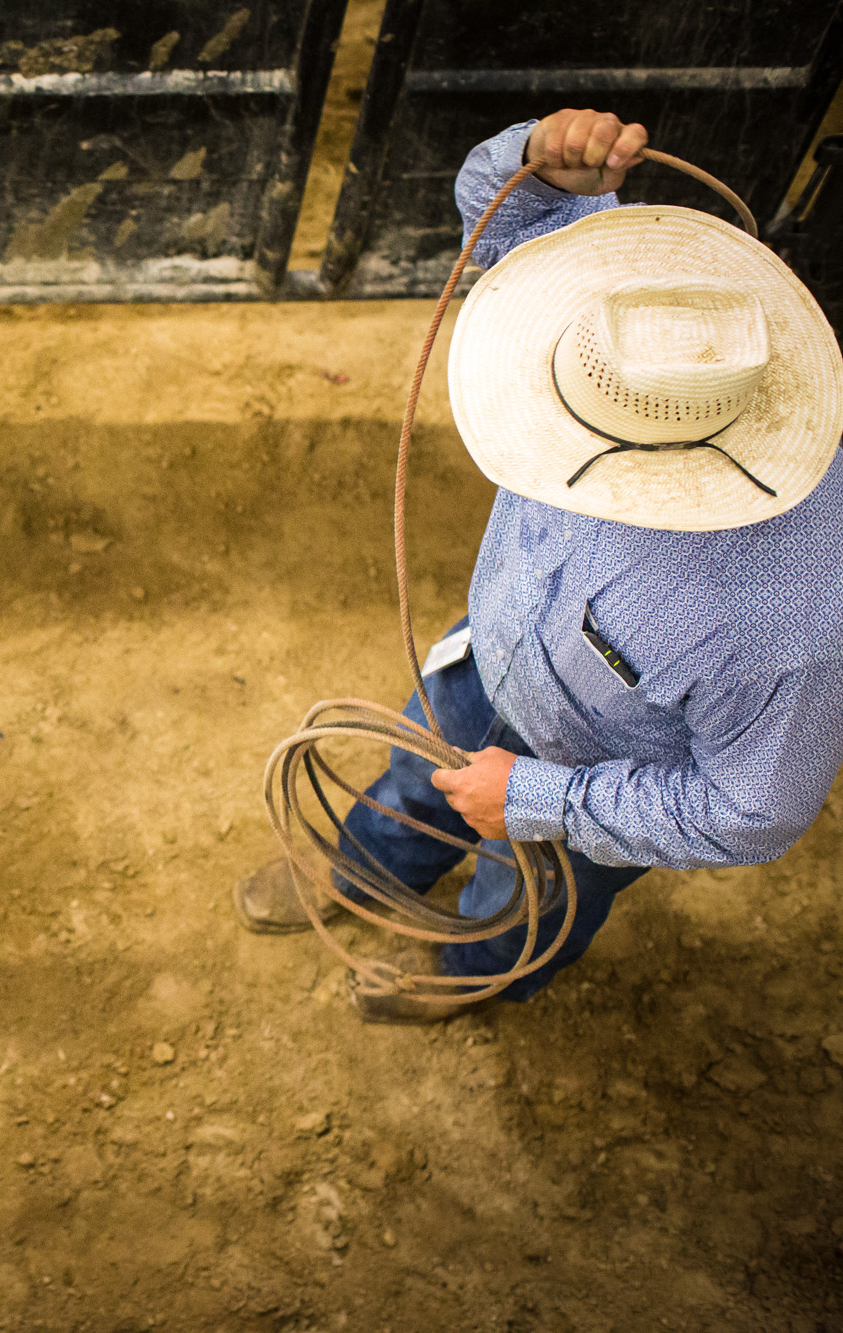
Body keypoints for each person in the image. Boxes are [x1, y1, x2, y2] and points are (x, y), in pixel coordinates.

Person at [235, 108, 843, 1022]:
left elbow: (752, 810)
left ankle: (470, 969)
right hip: (492, 647)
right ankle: (362, 877)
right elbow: (500, 215)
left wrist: (539, 796)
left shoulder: (789, 621)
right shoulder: (640, 326)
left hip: (599, 768)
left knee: (528, 889)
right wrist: (541, 159)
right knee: (415, 773)